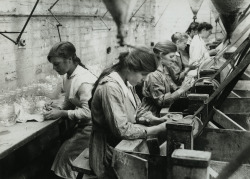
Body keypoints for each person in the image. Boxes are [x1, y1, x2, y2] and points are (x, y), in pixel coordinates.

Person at [89, 47, 168, 179]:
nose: (144, 79)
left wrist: (155, 120)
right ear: (130, 68)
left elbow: (135, 112)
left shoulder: (126, 82)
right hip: (107, 152)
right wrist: (157, 129)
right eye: (143, 74)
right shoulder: (111, 88)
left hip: (122, 144)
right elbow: (122, 130)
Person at [44, 41, 97, 179]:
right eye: (53, 64)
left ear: (69, 59)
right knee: (62, 154)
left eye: (57, 64)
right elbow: (69, 98)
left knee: (64, 157)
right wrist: (58, 107)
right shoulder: (68, 76)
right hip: (83, 125)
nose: (55, 68)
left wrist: (62, 113)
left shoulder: (84, 81)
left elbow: (88, 112)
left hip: (95, 128)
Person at [138, 41, 193, 117]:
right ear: (161, 55)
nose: (174, 60)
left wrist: (186, 86)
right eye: (171, 56)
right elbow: (160, 101)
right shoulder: (153, 75)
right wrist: (182, 90)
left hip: (163, 110)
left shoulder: (164, 69)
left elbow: (172, 88)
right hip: (152, 115)